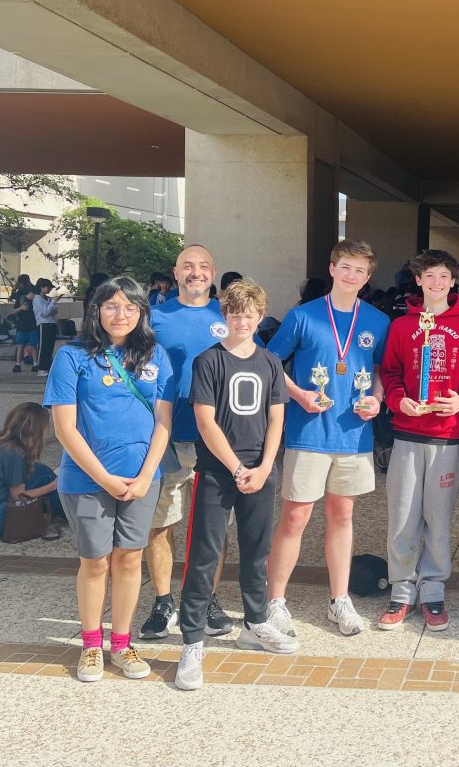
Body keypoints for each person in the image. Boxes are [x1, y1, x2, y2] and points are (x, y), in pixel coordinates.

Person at [43, 276, 174, 683]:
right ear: (96, 310)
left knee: (130, 558)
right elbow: (65, 428)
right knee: (96, 562)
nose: (122, 315)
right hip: (86, 480)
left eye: (131, 307)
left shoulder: (156, 355)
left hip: (142, 479)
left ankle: (121, 643)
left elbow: (163, 422)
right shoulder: (72, 357)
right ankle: (90, 645)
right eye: (112, 306)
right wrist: (105, 478)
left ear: (142, 313)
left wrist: (146, 474)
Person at [264, 239, 389, 638]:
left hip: (353, 434)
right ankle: (276, 602)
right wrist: (299, 394)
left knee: (343, 515)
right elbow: (268, 362)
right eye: (346, 267)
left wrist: (377, 399)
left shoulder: (377, 321)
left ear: (368, 278)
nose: (352, 276)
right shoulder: (303, 316)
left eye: (360, 271)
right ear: (332, 268)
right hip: (308, 432)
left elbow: (383, 371)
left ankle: (340, 600)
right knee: (296, 516)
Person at [175, 280, 295, 691]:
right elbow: (205, 421)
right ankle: (192, 642)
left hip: (260, 471)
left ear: (260, 316)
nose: (241, 321)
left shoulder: (270, 362)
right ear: (223, 316)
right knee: (203, 555)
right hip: (216, 470)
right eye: (234, 314)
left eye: (249, 315)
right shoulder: (208, 362)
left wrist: (262, 468)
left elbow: (277, 419)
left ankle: (255, 623)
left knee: (256, 552)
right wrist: (236, 468)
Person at [377, 249, 459, 631]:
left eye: (444, 276)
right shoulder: (402, 326)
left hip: (447, 437)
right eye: (430, 276)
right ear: (418, 281)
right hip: (407, 434)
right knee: (403, 516)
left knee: (438, 519)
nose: (437, 282)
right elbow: (389, 372)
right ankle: (401, 590)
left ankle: (434, 590)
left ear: (453, 282)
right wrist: (398, 400)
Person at [142, 245, 234, 640]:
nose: (195, 273)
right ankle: (163, 602)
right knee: (160, 524)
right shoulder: (153, 318)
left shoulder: (228, 317)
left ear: (213, 273)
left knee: (214, 528)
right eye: (187, 267)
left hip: (217, 440)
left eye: (202, 267)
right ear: (176, 272)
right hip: (168, 435)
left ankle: (206, 598)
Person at [0, 402, 63, 541]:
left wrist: (63, 436)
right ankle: (71, 514)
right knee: (46, 477)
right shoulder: (15, 455)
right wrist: (54, 485)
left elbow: (34, 442)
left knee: (41, 471)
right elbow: (18, 496)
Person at [33, 278, 59, 377]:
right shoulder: (37, 299)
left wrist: (53, 303)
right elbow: (44, 313)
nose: (49, 290)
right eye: (47, 287)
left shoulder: (49, 299)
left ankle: (47, 367)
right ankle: (41, 368)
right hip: (43, 325)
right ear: (41, 287)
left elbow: (54, 312)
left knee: (50, 347)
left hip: (51, 324)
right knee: (43, 347)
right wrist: (52, 303)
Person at [9, 286, 37, 373]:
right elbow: (13, 312)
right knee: (21, 345)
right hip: (22, 326)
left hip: (33, 326)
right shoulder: (21, 300)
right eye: (34, 294)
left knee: (33, 345)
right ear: (31, 293)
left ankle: (35, 364)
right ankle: (17, 364)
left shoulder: (36, 301)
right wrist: (21, 308)